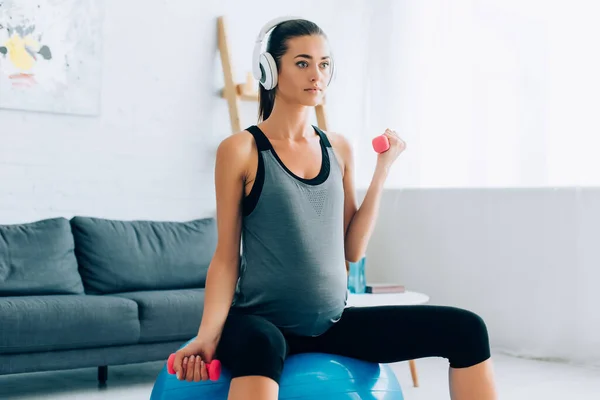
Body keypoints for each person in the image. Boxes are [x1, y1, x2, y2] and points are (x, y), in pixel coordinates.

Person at [171, 17, 498, 400]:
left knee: (468, 329)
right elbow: (226, 257)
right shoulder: (241, 150)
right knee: (262, 346)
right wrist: (209, 336)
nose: (317, 74)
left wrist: (382, 170)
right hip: (258, 324)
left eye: (324, 64)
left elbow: (352, 250)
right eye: (303, 62)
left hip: (332, 323)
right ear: (270, 69)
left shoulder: (337, 148)